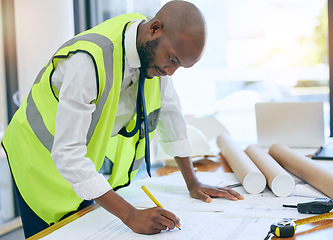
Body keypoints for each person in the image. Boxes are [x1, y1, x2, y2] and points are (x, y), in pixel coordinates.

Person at [2, 0, 243, 238]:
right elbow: (67, 153)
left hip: (76, 162)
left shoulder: (153, 48)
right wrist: (130, 215)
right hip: (36, 160)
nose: (171, 72)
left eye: (179, 66)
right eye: (172, 60)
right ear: (155, 28)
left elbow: (171, 112)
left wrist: (193, 182)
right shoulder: (89, 61)